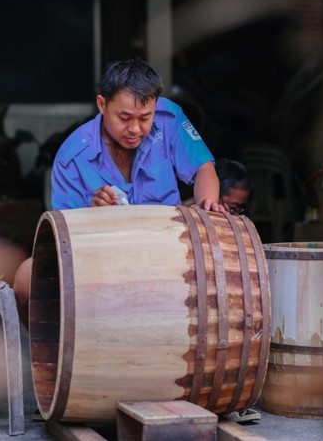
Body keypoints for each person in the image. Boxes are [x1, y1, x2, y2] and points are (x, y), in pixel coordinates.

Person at [13, 57, 222, 322]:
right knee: (24, 277)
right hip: (104, 267)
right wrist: (94, 215)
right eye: (124, 117)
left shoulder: (169, 118)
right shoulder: (71, 157)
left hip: (169, 255)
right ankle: (58, 357)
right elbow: (65, 242)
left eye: (145, 118)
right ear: (102, 104)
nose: (135, 129)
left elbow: (203, 168)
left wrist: (207, 205)